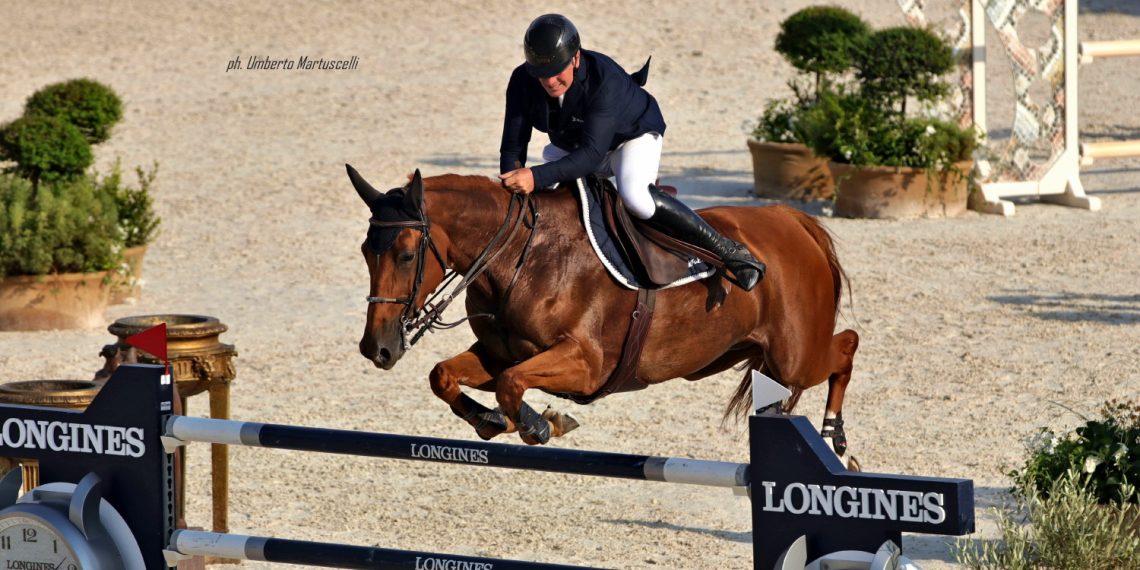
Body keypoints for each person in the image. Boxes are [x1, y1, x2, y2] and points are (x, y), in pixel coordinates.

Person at [498, 14, 766, 291]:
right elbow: (513, 146)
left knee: (635, 198)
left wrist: (534, 176)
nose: (550, 81)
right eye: (541, 75)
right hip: (576, 145)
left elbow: (592, 156)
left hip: (630, 138)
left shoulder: (604, 79)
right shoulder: (522, 80)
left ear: (576, 58)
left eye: (557, 72)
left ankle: (729, 251)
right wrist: (511, 183)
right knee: (545, 199)